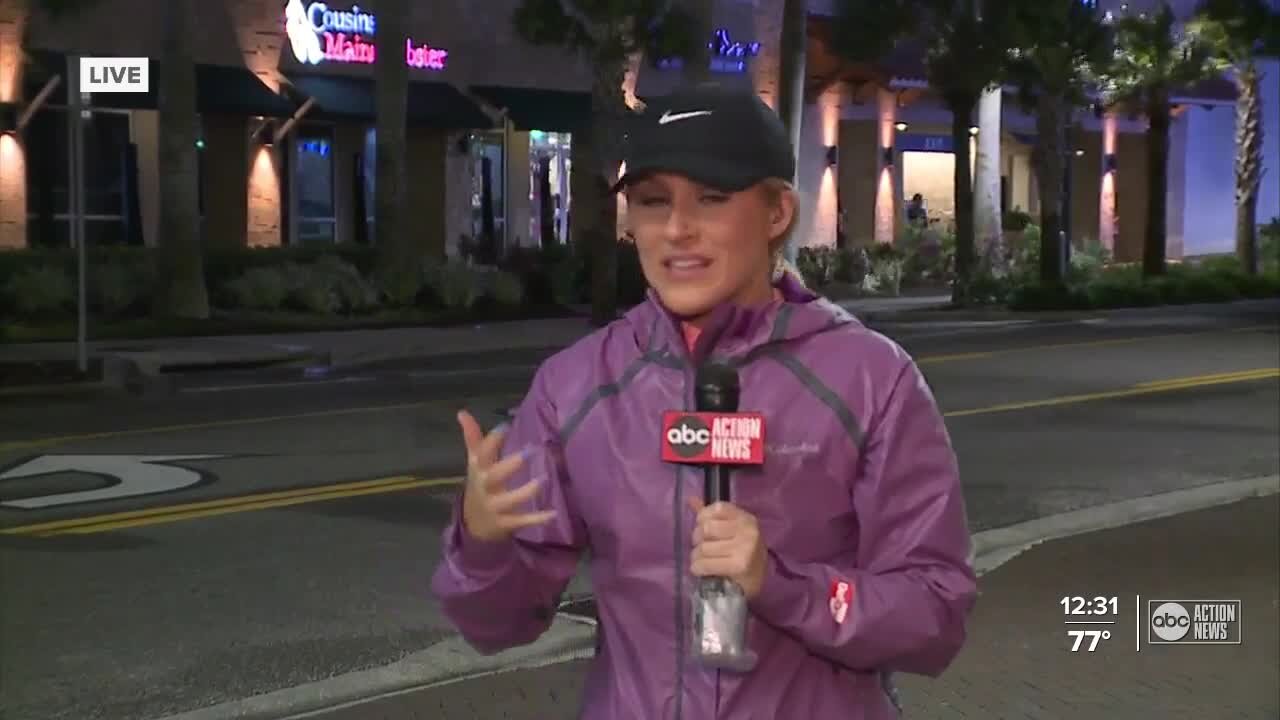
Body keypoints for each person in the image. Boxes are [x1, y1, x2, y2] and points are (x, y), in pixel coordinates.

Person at [430, 82, 977, 719]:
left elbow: (934, 612)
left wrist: (782, 584)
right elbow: (497, 626)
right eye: (652, 202)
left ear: (777, 213)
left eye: (711, 200)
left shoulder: (871, 379)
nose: (677, 230)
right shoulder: (574, 386)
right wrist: (483, 541)